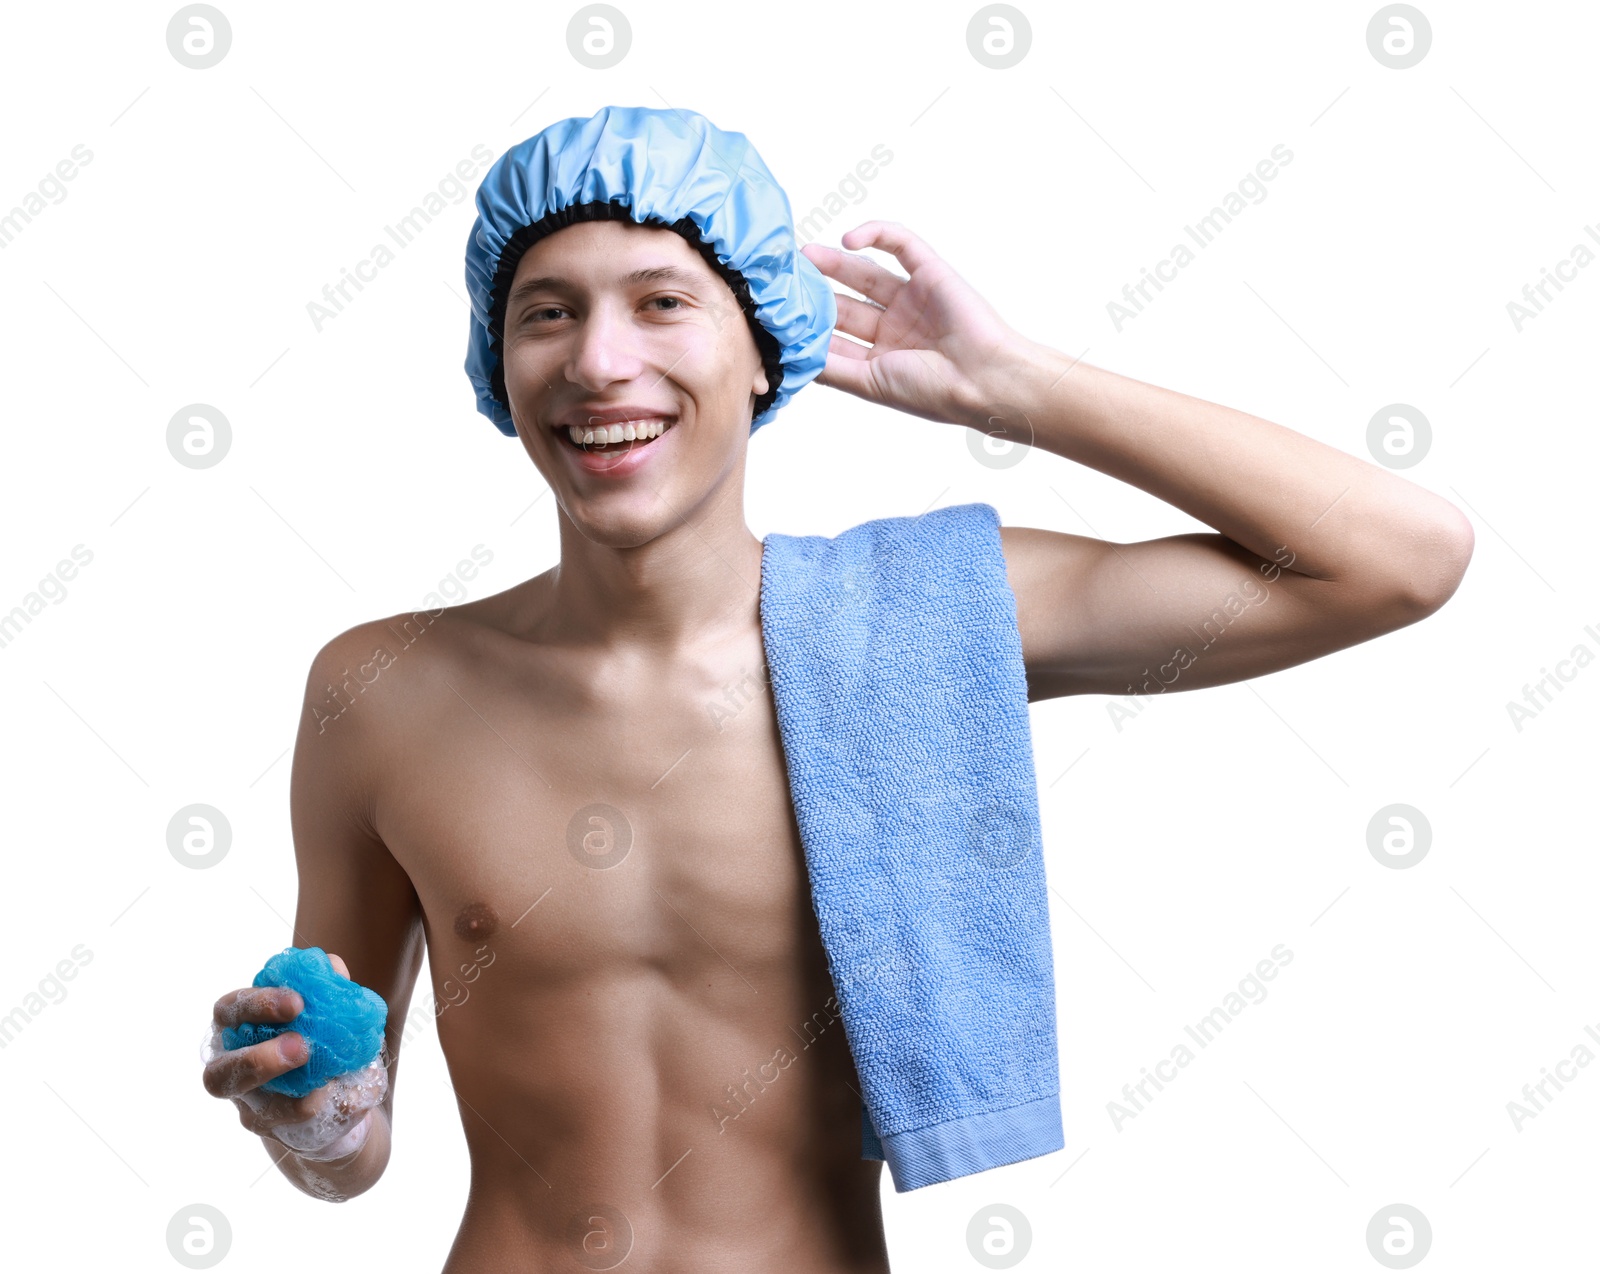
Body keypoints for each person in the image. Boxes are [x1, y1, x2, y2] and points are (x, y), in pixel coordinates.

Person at [201, 118, 1473, 1271]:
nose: (599, 361)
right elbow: (349, 1149)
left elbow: (1402, 559)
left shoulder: (924, 624)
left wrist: (1018, 389)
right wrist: (309, 1112)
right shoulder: (377, 689)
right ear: (497, 359)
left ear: (764, 347)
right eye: (546, 313)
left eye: (660, 303)